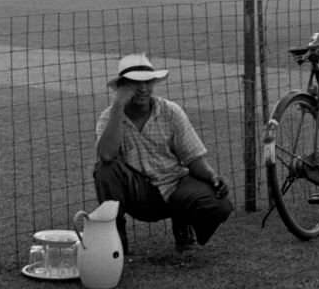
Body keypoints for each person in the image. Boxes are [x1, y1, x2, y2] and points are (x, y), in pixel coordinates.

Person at [94, 53, 233, 255]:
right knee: (105, 170)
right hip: (137, 191)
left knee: (219, 205)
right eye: (135, 83)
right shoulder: (110, 117)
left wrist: (212, 176)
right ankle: (116, 244)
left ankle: (184, 224)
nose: (143, 88)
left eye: (148, 82)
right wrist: (118, 106)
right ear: (123, 87)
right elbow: (106, 155)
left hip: (174, 185)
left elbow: (192, 156)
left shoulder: (170, 111)